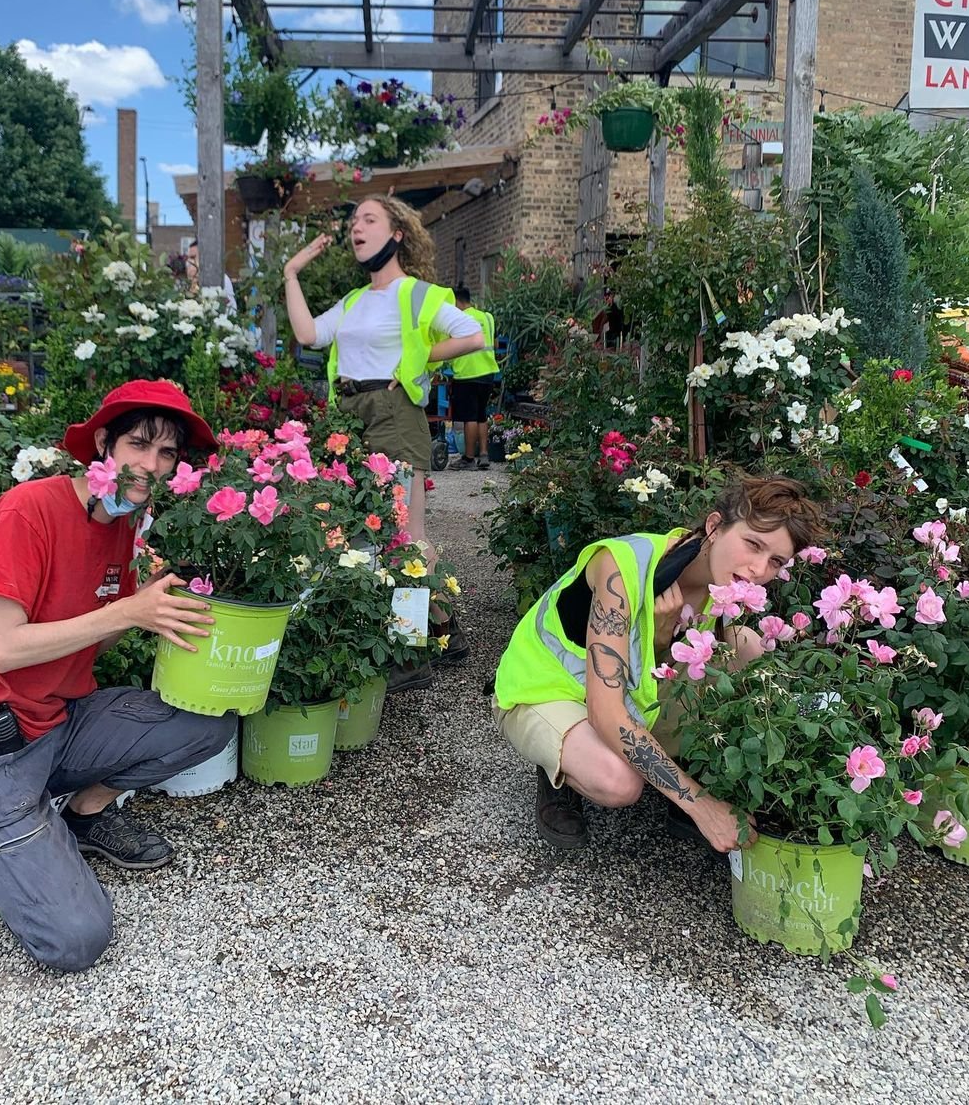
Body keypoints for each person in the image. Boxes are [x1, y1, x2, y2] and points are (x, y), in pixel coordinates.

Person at [0, 380, 235, 972]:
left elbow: (95, 628)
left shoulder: (119, 523)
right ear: (102, 444)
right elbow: (5, 649)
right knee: (77, 939)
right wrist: (127, 610)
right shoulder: (29, 509)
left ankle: (80, 815)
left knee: (207, 724)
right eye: (139, 444)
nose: (151, 465)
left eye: (167, 454)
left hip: (58, 722)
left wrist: (147, 615)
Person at [492, 476, 824, 852]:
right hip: (544, 688)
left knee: (745, 648)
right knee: (619, 780)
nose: (758, 570)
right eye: (753, 544)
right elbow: (607, 713)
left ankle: (689, 771)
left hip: (617, 690)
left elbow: (652, 666)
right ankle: (560, 768)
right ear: (714, 526)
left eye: (775, 561)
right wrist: (701, 805)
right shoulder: (622, 566)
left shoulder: (722, 583)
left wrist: (664, 639)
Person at [283, 195, 484, 684]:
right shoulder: (353, 301)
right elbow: (309, 334)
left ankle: (411, 654)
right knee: (366, 530)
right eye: (354, 221)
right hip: (350, 417)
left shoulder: (414, 293)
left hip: (393, 412)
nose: (357, 227)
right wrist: (291, 272)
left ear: (396, 234)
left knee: (403, 534)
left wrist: (415, 361)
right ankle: (442, 626)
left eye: (369, 219)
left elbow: (474, 334)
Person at [448, 284, 500, 471]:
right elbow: (494, 342)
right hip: (487, 373)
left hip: (467, 374)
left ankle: (469, 458)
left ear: (457, 301)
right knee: (481, 415)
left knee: (469, 416)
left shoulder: (458, 319)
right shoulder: (487, 317)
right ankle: (484, 455)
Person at [185, 239, 238, 314]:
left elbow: (231, 311)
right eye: (189, 258)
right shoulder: (190, 282)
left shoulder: (221, 279)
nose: (189, 263)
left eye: (193, 257)